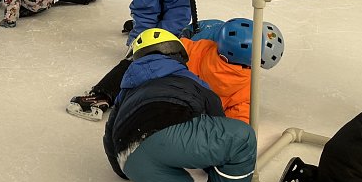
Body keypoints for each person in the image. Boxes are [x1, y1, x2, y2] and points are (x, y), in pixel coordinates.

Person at [103, 28, 258, 182]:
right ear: (178, 55)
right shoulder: (187, 77)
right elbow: (215, 115)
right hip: (172, 130)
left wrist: (123, 170)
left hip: (130, 156)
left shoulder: (126, 91)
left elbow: (109, 136)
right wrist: (210, 159)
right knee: (241, 138)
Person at [68, 17, 285, 122]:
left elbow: (173, 46)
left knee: (138, 61)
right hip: (178, 114)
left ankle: (102, 94)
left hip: (149, 90)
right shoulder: (247, 90)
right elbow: (239, 123)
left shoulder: (202, 47)